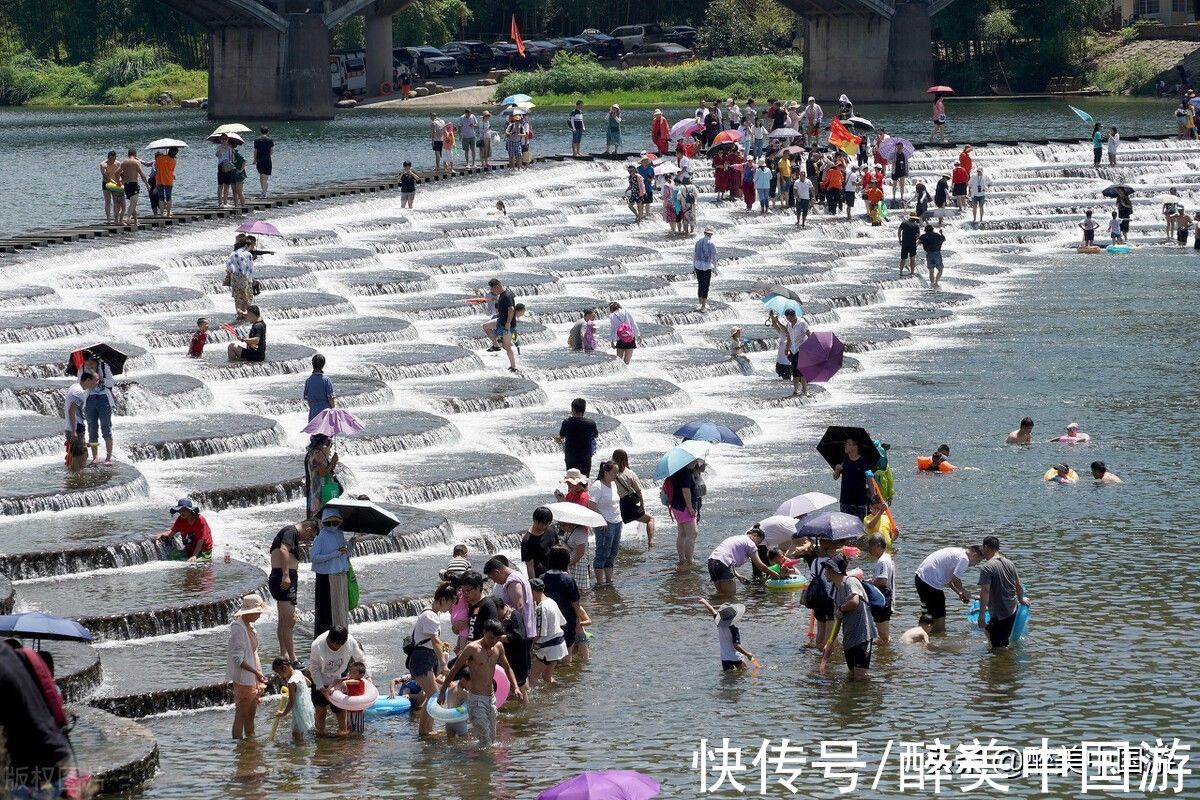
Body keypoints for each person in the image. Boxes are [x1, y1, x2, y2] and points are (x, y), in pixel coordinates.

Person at [440, 619, 524, 746]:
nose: (493, 641)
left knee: (492, 738)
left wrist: (516, 687)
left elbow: (507, 668)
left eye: (496, 638)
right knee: (485, 739)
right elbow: (454, 669)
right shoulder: (472, 649)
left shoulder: (498, 647)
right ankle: (484, 763)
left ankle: (483, 763)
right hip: (476, 699)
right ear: (484, 632)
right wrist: (442, 692)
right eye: (490, 638)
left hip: (491, 699)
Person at [820, 555, 877, 680]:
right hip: (849, 639)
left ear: (833, 571)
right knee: (852, 675)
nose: (824, 573)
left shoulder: (850, 581)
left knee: (861, 676)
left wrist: (840, 609)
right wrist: (830, 643)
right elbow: (838, 619)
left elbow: (854, 601)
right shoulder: (837, 590)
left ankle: (863, 698)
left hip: (862, 636)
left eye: (826, 570)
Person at [270, 517, 317, 664]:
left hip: (283, 575)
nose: (309, 539)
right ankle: (293, 659)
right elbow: (284, 549)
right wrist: (285, 575)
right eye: (311, 536)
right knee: (290, 620)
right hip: (283, 576)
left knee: (283, 621)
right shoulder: (291, 532)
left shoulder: (291, 533)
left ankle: (284, 656)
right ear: (309, 529)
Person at [409, 583, 455, 736]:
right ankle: (423, 731)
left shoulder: (431, 614)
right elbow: (435, 641)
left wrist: (442, 657)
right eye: (450, 603)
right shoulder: (430, 615)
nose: (450, 608)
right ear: (442, 599)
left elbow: (436, 643)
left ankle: (428, 728)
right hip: (422, 658)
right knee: (433, 696)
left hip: (426, 658)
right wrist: (443, 664)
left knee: (432, 696)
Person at [484, 557, 535, 692]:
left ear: (497, 572)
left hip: (519, 631)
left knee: (518, 670)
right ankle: (525, 696)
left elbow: (519, 605)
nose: (495, 582)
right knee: (522, 669)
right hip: (526, 628)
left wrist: (508, 623)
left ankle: (522, 699)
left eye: (493, 578)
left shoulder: (512, 581)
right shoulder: (519, 575)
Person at [308, 625, 367, 737]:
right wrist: (321, 688)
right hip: (320, 679)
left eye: (340, 645)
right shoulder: (317, 645)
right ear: (329, 640)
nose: (336, 648)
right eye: (334, 645)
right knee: (320, 712)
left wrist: (367, 676)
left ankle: (342, 737)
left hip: (339, 678)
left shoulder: (350, 641)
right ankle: (320, 738)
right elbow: (314, 668)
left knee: (340, 712)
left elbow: (360, 658)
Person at [913, 545, 984, 633]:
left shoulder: (958, 552)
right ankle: (936, 640)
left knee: (928, 615)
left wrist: (959, 592)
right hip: (930, 583)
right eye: (977, 562)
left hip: (920, 579)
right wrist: (964, 591)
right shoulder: (964, 559)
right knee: (940, 623)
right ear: (974, 555)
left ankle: (923, 636)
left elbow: (949, 580)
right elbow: (956, 579)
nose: (974, 565)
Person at [976, 536, 1029, 650]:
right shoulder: (1010, 563)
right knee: (991, 634)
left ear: (986, 548)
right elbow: (1018, 584)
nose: (982, 551)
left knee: (998, 650)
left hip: (999, 614)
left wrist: (981, 614)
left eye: (983, 548)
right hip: (1012, 609)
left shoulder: (987, 567)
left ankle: (1003, 664)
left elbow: (985, 591)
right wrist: (1021, 600)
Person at [227, 594, 268, 739]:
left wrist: (258, 673)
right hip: (245, 679)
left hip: (254, 677)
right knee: (241, 715)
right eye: (258, 612)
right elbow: (238, 659)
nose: (259, 615)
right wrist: (256, 672)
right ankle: (238, 747)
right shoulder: (238, 629)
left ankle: (250, 743)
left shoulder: (249, 627)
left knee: (251, 715)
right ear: (249, 612)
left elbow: (254, 654)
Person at [542, 546, 590, 662]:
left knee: (551, 654)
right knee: (567, 655)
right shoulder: (568, 579)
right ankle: (568, 675)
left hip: (549, 620)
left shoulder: (542, 578)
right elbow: (575, 603)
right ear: (566, 561)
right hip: (567, 619)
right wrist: (578, 618)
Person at [310, 507, 351, 638]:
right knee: (327, 610)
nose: (332, 526)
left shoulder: (340, 533)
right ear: (323, 523)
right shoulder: (321, 537)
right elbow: (314, 557)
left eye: (335, 523)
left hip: (340, 574)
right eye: (329, 523)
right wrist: (335, 554)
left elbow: (344, 554)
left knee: (340, 606)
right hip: (326, 577)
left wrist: (351, 546)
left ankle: (341, 632)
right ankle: (326, 636)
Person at [588, 460, 623, 587]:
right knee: (602, 552)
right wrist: (601, 520)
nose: (616, 475)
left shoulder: (613, 484)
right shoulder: (598, 486)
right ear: (606, 472)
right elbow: (591, 505)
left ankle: (609, 580)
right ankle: (600, 582)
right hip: (605, 523)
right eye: (614, 473)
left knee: (613, 551)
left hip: (617, 521)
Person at [707, 528, 771, 597]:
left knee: (721, 595)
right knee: (730, 597)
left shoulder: (737, 538)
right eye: (758, 542)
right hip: (722, 565)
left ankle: (713, 606)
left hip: (711, 563)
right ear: (755, 535)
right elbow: (760, 565)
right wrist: (775, 574)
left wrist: (738, 576)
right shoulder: (750, 543)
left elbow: (728, 559)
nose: (757, 545)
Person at [611, 448, 655, 547]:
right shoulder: (629, 473)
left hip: (614, 506)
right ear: (625, 459)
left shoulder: (609, 473)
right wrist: (642, 506)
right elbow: (639, 491)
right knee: (650, 519)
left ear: (613, 458)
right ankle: (651, 542)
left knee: (615, 528)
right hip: (628, 507)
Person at [697, 598, 755, 672]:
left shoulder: (719, 624)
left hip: (724, 659)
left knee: (728, 678)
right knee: (743, 675)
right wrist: (747, 654)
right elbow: (736, 646)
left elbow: (712, 611)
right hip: (736, 658)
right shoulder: (734, 629)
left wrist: (705, 602)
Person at [528, 578, 568, 685]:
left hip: (548, 649)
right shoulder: (551, 601)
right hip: (559, 645)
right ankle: (561, 689)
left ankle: (532, 701)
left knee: (532, 677)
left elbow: (539, 633)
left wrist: (529, 646)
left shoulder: (541, 608)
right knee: (546, 676)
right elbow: (562, 622)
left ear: (532, 592)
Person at [80, 351, 116, 466]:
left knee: (106, 428)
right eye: (87, 364)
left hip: (104, 399)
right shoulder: (81, 369)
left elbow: (111, 383)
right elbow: (80, 385)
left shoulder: (105, 367)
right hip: (89, 400)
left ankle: (108, 457)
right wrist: (89, 382)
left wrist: (101, 379)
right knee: (92, 429)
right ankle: (95, 457)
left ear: (96, 362)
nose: (90, 367)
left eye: (92, 364)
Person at [271, 657, 315, 742]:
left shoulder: (291, 682)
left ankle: (301, 753)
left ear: (284, 668)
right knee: (295, 733)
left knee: (298, 736)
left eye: (278, 673)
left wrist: (283, 713)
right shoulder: (298, 672)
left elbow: (291, 701)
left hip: (299, 711)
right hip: (307, 706)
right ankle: (301, 751)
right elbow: (309, 683)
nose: (279, 676)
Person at [667, 461, 700, 565]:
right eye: (695, 460)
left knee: (682, 534)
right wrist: (690, 508)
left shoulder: (676, 469)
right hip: (684, 507)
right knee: (692, 533)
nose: (696, 462)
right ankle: (690, 560)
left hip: (676, 505)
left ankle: (682, 559)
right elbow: (685, 490)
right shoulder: (685, 472)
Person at [557, 398, 598, 477]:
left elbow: (562, 435)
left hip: (571, 457)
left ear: (573, 409)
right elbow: (595, 435)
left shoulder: (566, 422)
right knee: (584, 480)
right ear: (584, 410)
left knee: (571, 481)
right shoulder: (591, 423)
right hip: (585, 457)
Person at [866, 533, 895, 644]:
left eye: (870, 546)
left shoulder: (882, 561)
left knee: (884, 638)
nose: (869, 549)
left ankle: (884, 659)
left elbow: (882, 580)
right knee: (884, 637)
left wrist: (868, 583)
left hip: (883, 599)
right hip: (886, 598)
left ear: (878, 545)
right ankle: (884, 657)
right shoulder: (887, 558)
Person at [832, 437, 871, 518]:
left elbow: (869, 479)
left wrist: (873, 495)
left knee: (860, 526)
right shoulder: (843, 460)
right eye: (845, 444)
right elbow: (835, 477)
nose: (845, 446)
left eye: (848, 444)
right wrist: (837, 470)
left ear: (855, 447)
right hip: (845, 500)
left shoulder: (864, 461)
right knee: (845, 526)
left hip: (860, 500)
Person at [487, 277, 518, 372]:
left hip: (508, 325)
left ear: (497, 286)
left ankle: (513, 367)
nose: (492, 291)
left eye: (492, 289)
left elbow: (511, 309)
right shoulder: (502, 294)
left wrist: (508, 323)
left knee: (507, 347)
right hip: (501, 321)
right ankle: (496, 344)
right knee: (485, 327)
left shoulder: (507, 295)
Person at [304, 433, 339, 519]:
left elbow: (325, 468)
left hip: (315, 486)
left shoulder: (312, 452)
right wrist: (332, 461)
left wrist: (333, 462)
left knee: (317, 513)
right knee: (321, 513)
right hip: (320, 488)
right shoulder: (317, 454)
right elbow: (323, 473)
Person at [521, 506, 560, 578]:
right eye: (544, 524)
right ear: (535, 521)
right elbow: (530, 565)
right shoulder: (527, 541)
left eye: (549, 523)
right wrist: (534, 584)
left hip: (556, 571)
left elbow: (557, 547)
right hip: (541, 576)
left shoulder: (551, 530)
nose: (546, 526)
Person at [225, 236, 255, 320]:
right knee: (247, 297)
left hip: (235, 277)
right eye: (249, 246)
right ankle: (245, 314)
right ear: (246, 245)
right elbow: (250, 268)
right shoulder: (248, 254)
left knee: (238, 297)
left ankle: (238, 314)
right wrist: (250, 280)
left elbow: (228, 266)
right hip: (244, 277)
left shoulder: (233, 253)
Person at [119, 148, 149, 224]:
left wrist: (119, 182)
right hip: (133, 184)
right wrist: (147, 185)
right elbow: (142, 175)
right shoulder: (137, 162)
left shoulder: (124, 162)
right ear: (135, 155)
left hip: (126, 185)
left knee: (133, 204)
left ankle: (135, 220)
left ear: (128, 154)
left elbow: (117, 173)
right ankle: (127, 218)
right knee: (133, 204)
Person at [303, 354, 336, 422]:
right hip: (325, 413)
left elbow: (308, 400)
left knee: (315, 432)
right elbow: (331, 399)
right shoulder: (326, 380)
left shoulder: (308, 381)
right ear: (323, 365)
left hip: (313, 413)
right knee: (325, 432)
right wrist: (333, 409)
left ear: (312, 364)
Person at [693, 227, 717, 311]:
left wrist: (693, 267)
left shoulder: (698, 242)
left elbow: (695, 255)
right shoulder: (712, 243)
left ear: (704, 233)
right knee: (706, 285)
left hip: (698, 266)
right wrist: (715, 269)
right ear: (710, 234)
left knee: (700, 284)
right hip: (707, 267)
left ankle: (700, 302)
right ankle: (703, 305)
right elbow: (714, 257)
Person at [152, 147, 178, 218]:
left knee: (161, 198)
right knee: (168, 198)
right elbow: (172, 170)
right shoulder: (174, 161)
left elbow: (156, 168)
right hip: (169, 180)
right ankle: (168, 213)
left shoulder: (159, 158)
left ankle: (161, 214)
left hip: (159, 180)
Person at [101, 150, 121, 223]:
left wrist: (120, 181)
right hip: (106, 184)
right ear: (108, 158)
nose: (112, 160)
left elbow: (121, 173)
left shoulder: (118, 163)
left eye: (114, 158)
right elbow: (105, 176)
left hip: (116, 184)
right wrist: (114, 182)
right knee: (108, 201)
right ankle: (108, 219)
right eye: (111, 159)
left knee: (116, 201)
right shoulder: (103, 164)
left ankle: (116, 219)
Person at [252, 128, 273, 198]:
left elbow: (255, 151)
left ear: (260, 132)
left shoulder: (257, 140)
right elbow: (271, 152)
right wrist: (267, 156)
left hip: (259, 160)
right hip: (267, 160)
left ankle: (263, 192)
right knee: (266, 178)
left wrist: (254, 160)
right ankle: (264, 192)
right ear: (267, 132)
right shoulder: (270, 140)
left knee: (261, 177)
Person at [898, 212, 921, 277]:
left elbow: (899, 230)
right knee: (912, 259)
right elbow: (918, 235)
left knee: (903, 258)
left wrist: (899, 239)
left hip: (904, 243)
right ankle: (912, 273)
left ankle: (901, 272)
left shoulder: (904, 223)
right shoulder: (916, 225)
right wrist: (916, 241)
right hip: (912, 244)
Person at [215, 133, 234, 206]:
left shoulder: (230, 148)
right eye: (222, 139)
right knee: (220, 185)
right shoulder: (219, 147)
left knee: (227, 185)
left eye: (225, 139)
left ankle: (225, 202)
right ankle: (220, 203)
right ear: (220, 139)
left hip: (228, 166)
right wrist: (221, 149)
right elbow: (217, 155)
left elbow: (232, 159)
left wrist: (231, 151)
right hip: (221, 166)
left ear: (228, 139)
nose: (224, 140)